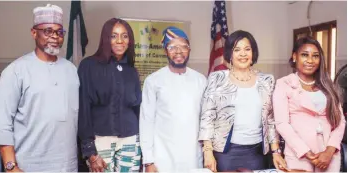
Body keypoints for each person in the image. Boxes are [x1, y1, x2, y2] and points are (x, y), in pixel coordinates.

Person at [0, 4, 79, 172]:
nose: (54, 36)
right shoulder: (15, 71)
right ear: (34, 33)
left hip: (68, 166)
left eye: (59, 32)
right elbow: (2, 125)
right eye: (47, 31)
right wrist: (11, 167)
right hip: (28, 166)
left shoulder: (71, 70)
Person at [198, 30, 286, 172]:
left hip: (257, 153)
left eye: (247, 49)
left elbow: (270, 120)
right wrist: (207, 152)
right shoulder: (217, 78)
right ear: (230, 55)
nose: (243, 54)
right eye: (237, 50)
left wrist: (276, 152)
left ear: (253, 52)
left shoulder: (267, 80)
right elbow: (208, 117)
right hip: (225, 153)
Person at [273, 36, 346, 172]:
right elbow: (282, 123)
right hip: (298, 154)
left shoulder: (327, 84)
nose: (310, 60)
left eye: (315, 56)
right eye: (305, 55)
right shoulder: (284, 84)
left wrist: (330, 150)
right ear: (295, 56)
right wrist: (307, 153)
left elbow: (340, 121)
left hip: (329, 156)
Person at [77, 18, 142, 172]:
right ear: (106, 38)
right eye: (114, 36)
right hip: (100, 142)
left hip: (131, 141)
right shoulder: (89, 66)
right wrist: (90, 151)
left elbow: (138, 110)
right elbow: (83, 110)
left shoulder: (131, 70)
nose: (120, 41)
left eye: (125, 36)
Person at [140, 26, 207, 172]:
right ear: (165, 51)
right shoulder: (153, 81)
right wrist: (148, 161)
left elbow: (206, 120)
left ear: (189, 50)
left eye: (183, 47)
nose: (178, 51)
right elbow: (146, 122)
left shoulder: (200, 80)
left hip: (193, 158)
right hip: (162, 159)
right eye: (172, 47)